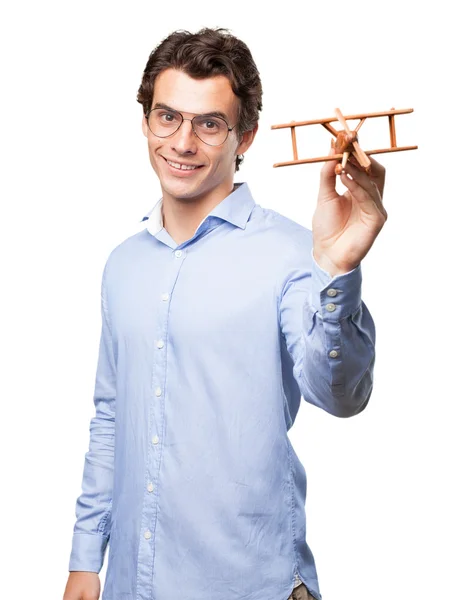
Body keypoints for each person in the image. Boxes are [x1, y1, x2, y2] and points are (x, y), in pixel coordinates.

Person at [63, 27, 386, 600]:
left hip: (249, 585)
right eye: (167, 117)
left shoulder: (293, 253)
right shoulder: (123, 265)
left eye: (209, 123)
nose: (182, 142)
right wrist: (86, 559)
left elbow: (340, 396)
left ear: (246, 136)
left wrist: (337, 270)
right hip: (131, 586)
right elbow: (111, 417)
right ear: (145, 121)